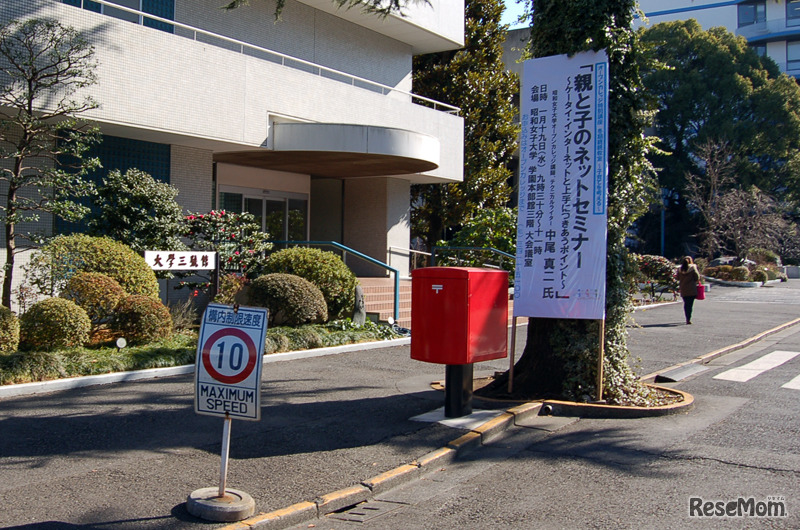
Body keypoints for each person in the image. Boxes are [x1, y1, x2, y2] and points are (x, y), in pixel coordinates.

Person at [677, 256, 701, 325]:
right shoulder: (693, 268)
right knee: (690, 305)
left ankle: (687, 317)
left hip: (683, 289)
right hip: (691, 289)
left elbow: (677, 278)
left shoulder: (680, 269)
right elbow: (697, 277)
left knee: (686, 304)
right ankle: (688, 318)